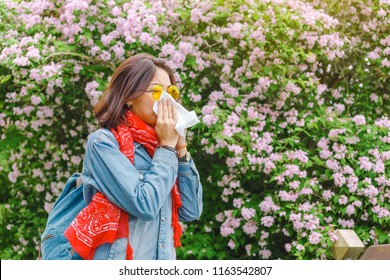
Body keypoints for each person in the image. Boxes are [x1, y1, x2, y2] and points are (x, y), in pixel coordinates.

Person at [64, 53, 203, 260]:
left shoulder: (163, 147)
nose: (167, 100)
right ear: (129, 96)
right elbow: (143, 205)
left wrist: (180, 150)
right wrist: (166, 148)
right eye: (156, 91)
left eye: (171, 92)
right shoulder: (104, 143)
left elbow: (191, 211)